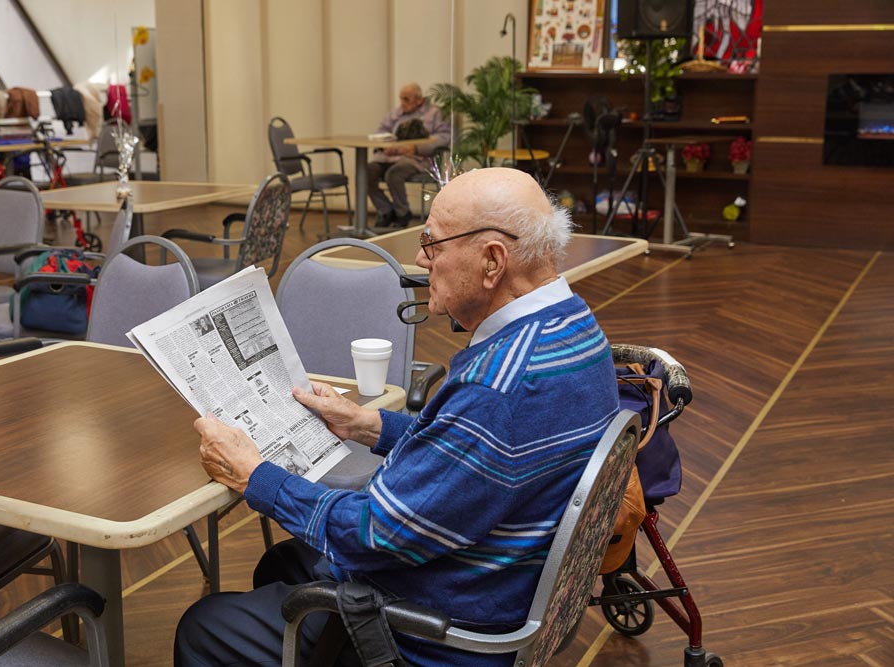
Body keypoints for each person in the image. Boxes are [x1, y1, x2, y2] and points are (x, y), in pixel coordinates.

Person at [174, 168, 620, 667]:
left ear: (492, 261)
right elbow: (471, 455)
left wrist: (254, 477)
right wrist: (366, 424)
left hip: (439, 634)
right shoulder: (574, 324)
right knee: (283, 561)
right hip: (497, 579)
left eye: (432, 243)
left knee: (204, 626)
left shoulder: (499, 386)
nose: (420, 259)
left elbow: (376, 534)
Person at [367, 83, 450, 230]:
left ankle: (402, 213)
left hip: (417, 159)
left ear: (419, 100)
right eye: (401, 99)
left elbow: (444, 137)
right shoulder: (396, 113)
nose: (402, 104)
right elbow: (380, 132)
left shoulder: (435, 113)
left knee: (394, 173)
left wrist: (417, 148)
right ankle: (386, 210)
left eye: (406, 99)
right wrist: (386, 146)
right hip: (388, 157)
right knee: (366, 172)